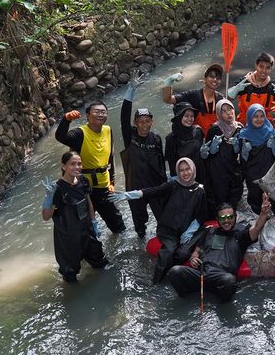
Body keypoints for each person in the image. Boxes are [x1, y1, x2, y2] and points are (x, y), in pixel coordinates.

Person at [110, 158, 208, 284]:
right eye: (182, 170)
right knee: (168, 252)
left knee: (183, 254)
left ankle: (173, 273)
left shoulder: (200, 190)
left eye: (187, 169)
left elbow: (202, 214)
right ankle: (156, 282)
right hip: (169, 229)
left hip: (187, 230)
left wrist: (191, 229)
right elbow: (154, 191)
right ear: (178, 172)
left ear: (193, 169)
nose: (185, 173)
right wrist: (130, 195)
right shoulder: (172, 185)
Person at [167, 195, 272, 302]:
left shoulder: (241, 235)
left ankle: (220, 304)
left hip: (221, 277)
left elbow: (257, 227)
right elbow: (198, 248)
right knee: (175, 271)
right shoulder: (209, 231)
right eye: (222, 218)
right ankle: (188, 300)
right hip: (202, 273)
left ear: (235, 217)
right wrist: (193, 257)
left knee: (229, 280)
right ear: (217, 219)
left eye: (230, 217)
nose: (226, 221)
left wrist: (263, 213)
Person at [55, 101, 125, 233]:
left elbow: (111, 155)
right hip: (82, 187)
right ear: (87, 115)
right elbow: (61, 137)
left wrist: (112, 180)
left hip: (103, 185)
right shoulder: (79, 133)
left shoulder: (107, 130)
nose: (100, 114)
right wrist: (66, 119)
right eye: (96, 111)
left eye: (103, 112)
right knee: (84, 225)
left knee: (117, 223)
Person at [41, 151, 109, 282]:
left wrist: (94, 222)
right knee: (70, 274)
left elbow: (88, 202)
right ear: (63, 166)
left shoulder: (83, 180)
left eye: (79, 164)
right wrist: (48, 199)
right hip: (68, 238)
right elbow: (46, 217)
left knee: (101, 264)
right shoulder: (57, 189)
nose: (77, 167)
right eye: (72, 164)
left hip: (87, 231)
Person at [120, 79, 166, 238]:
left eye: (147, 121)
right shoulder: (130, 137)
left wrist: (165, 185)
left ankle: (163, 237)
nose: (144, 125)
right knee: (139, 222)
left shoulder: (156, 139)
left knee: (163, 218)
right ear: (135, 123)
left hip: (155, 186)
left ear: (152, 122)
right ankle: (141, 236)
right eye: (141, 122)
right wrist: (130, 93)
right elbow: (123, 118)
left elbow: (161, 162)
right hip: (134, 186)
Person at [238, 103, 275, 217]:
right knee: (255, 200)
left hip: (269, 172)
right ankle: (258, 222)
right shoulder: (244, 135)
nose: (259, 119)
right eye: (255, 116)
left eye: (261, 116)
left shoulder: (270, 132)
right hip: (253, 174)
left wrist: (274, 148)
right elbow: (242, 162)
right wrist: (244, 152)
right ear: (249, 117)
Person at [201, 99, 244, 213]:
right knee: (219, 198)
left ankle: (233, 217)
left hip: (233, 168)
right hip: (218, 170)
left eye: (230, 109)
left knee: (235, 194)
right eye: (224, 111)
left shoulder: (239, 128)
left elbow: (242, 151)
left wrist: (238, 148)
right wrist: (211, 150)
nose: (229, 113)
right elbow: (207, 154)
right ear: (219, 114)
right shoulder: (214, 129)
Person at [162, 64, 224, 136]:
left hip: (214, 138)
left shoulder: (220, 99)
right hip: (196, 138)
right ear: (204, 79)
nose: (215, 79)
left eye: (218, 77)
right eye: (211, 76)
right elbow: (168, 99)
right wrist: (169, 82)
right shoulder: (192, 95)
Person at [227, 52, 275, 126]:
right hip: (244, 126)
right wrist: (234, 91)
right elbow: (226, 101)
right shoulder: (243, 82)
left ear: (271, 69)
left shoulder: (274, 86)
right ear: (256, 66)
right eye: (261, 67)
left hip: (266, 129)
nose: (264, 71)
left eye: (268, 68)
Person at [164, 102, 205, 184]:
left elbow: (201, 154)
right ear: (179, 117)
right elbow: (172, 165)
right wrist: (176, 180)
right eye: (186, 116)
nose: (190, 119)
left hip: (199, 175)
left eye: (192, 116)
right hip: (183, 178)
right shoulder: (171, 138)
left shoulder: (198, 131)